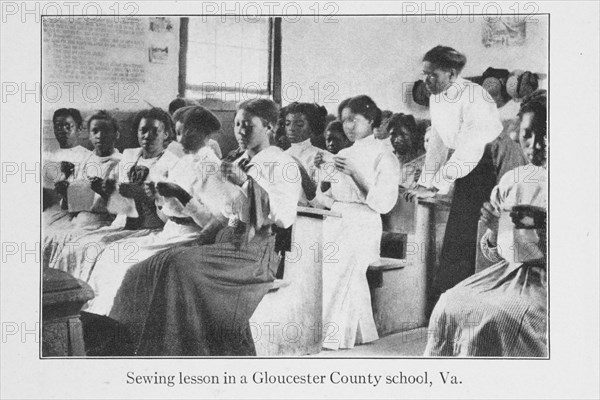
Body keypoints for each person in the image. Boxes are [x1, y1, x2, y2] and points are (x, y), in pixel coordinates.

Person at [104, 98, 302, 356]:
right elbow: (231, 214)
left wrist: (246, 184)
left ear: (269, 126)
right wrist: (212, 232)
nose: (240, 132)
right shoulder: (236, 160)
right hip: (228, 242)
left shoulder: (282, 164)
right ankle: (135, 348)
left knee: (179, 266)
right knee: (146, 267)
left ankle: (185, 351)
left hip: (254, 255)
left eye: (248, 126)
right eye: (237, 124)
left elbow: (284, 217)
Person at [82, 106, 244, 317]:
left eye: (183, 132)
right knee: (112, 254)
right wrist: (157, 198)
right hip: (169, 231)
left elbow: (216, 224)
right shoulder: (183, 163)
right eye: (176, 132)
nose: (178, 139)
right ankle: (99, 320)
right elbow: (166, 216)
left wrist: (180, 195)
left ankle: (120, 324)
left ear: (200, 133)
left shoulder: (211, 167)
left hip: (191, 237)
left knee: (130, 267)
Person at [424, 89, 547, 357]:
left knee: (498, 317)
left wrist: (506, 228)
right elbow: (492, 251)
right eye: (528, 134)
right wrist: (493, 231)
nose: (536, 145)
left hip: (549, 279)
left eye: (546, 134)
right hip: (508, 273)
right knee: (449, 303)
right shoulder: (514, 181)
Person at [407, 46, 503, 304]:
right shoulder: (436, 97)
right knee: (456, 240)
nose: (426, 81)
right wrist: (426, 183)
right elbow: (437, 143)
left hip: (487, 166)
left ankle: (472, 306)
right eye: (424, 74)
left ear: (451, 74)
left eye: (432, 75)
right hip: (463, 166)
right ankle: (450, 306)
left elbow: (471, 149)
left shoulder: (475, 96)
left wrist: (440, 181)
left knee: (473, 237)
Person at [46, 108, 180, 280]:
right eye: (143, 130)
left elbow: (172, 215)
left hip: (151, 228)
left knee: (108, 256)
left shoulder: (171, 164)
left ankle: (92, 302)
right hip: (121, 225)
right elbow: (116, 207)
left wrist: (149, 196)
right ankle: (72, 298)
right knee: (74, 249)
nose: (147, 136)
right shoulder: (129, 158)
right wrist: (106, 191)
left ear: (167, 134)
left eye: (155, 131)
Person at [314, 95, 400, 350]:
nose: (348, 127)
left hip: (364, 222)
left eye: (354, 120)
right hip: (338, 219)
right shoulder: (342, 153)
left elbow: (383, 203)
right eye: (344, 121)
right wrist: (321, 173)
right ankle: (361, 333)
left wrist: (355, 174)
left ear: (370, 120)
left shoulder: (385, 156)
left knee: (340, 269)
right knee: (327, 269)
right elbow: (326, 198)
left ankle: (329, 336)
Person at [43, 111, 123, 268]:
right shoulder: (87, 160)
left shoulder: (120, 163)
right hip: (77, 219)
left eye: (106, 131)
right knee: (46, 237)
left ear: (116, 135)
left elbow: (121, 208)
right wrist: (65, 193)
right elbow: (71, 205)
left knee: (71, 247)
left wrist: (102, 193)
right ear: (90, 136)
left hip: (102, 222)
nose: (100, 135)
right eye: (95, 131)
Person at [283, 102, 329, 205]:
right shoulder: (281, 156)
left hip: (309, 218)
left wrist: (302, 173)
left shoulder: (322, 157)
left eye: (299, 124)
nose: (291, 128)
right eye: (287, 123)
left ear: (312, 127)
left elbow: (321, 205)